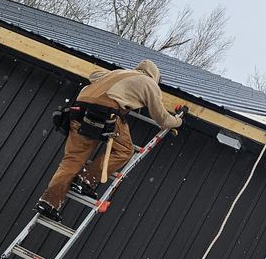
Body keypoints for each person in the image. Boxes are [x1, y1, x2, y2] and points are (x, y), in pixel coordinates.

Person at [36, 59, 183, 221]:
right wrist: (178, 120)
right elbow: (162, 118)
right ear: (155, 76)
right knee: (125, 151)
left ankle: (49, 201)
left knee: (73, 159)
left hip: (79, 110)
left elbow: (94, 75)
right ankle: (86, 180)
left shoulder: (118, 73)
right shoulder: (149, 84)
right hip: (106, 112)